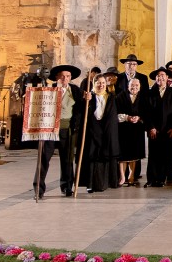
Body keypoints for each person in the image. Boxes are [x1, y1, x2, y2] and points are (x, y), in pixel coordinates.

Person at [33, 64, 84, 198]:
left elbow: (81, 108)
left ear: (70, 78)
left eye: (67, 76)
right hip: (49, 128)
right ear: (56, 77)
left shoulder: (75, 90)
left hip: (67, 128)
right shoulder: (49, 89)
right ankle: (39, 188)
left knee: (67, 160)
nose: (64, 78)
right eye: (62, 76)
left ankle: (67, 187)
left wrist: (87, 100)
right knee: (44, 158)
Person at [80, 74, 119, 193]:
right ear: (94, 84)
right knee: (92, 158)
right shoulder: (89, 97)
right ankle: (90, 184)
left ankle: (104, 183)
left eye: (103, 83)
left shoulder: (111, 97)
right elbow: (85, 114)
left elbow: (112, 115)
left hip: (106, 131)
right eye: (98, 83)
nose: (101, 85)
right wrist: (86, 102)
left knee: (105, 157)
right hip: (92, 131)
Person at [146, 66, 172, 187]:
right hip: (154, 130)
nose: (160, 78)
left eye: (162, 75)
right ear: (155, 78)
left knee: (167, 155)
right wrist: (151, 127)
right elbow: (147, 113)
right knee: (154, 155)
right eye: (158, 76)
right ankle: (152, 179)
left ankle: (162, 178)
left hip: (169, 130)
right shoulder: (150, 93)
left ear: (167, 77)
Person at [115, 78, 147, 186]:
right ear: (128, 86)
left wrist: (139, 117)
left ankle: (132, 176)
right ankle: (122, 176)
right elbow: (116, 112)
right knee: (123, 155)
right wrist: (127, 117)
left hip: (137, 129)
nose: (134, 87)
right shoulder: (120, 96)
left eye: (137, 85)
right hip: (123, 129)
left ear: (140, 86)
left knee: (134, 154)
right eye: (132, 85)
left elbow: (147, 112)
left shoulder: (143, 98)